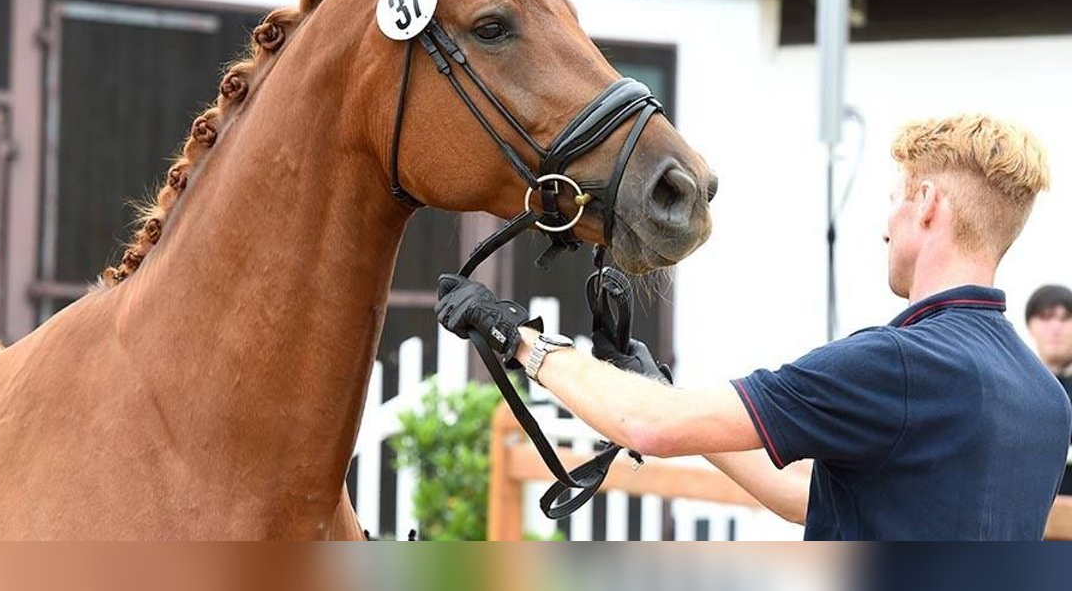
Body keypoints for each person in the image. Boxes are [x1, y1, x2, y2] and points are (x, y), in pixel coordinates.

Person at [436, 113, 1072, 540]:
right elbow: (813, 496)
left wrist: (514, 336)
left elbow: (648, 429)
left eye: (894, 199)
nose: (885, 226)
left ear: (927, 204)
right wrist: (660, 387)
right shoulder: (1045, 398)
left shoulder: (899, 364)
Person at [1025, 284, 1072, 496]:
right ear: (1030, 326)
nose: (1055, 327)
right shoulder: (1019, 387)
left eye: (1065, 318)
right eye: (1045, 317)